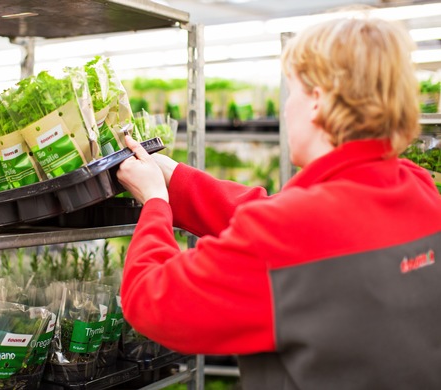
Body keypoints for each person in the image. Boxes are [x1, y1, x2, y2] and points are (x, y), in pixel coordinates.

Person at [116, 12, 441, 390]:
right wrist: (177, 179)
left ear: (318, 101)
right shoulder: (419, 189)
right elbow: (291, 225)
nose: (286, 109)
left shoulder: (288, 232)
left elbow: (152, 300)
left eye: (292, 92)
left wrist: (155, 201)